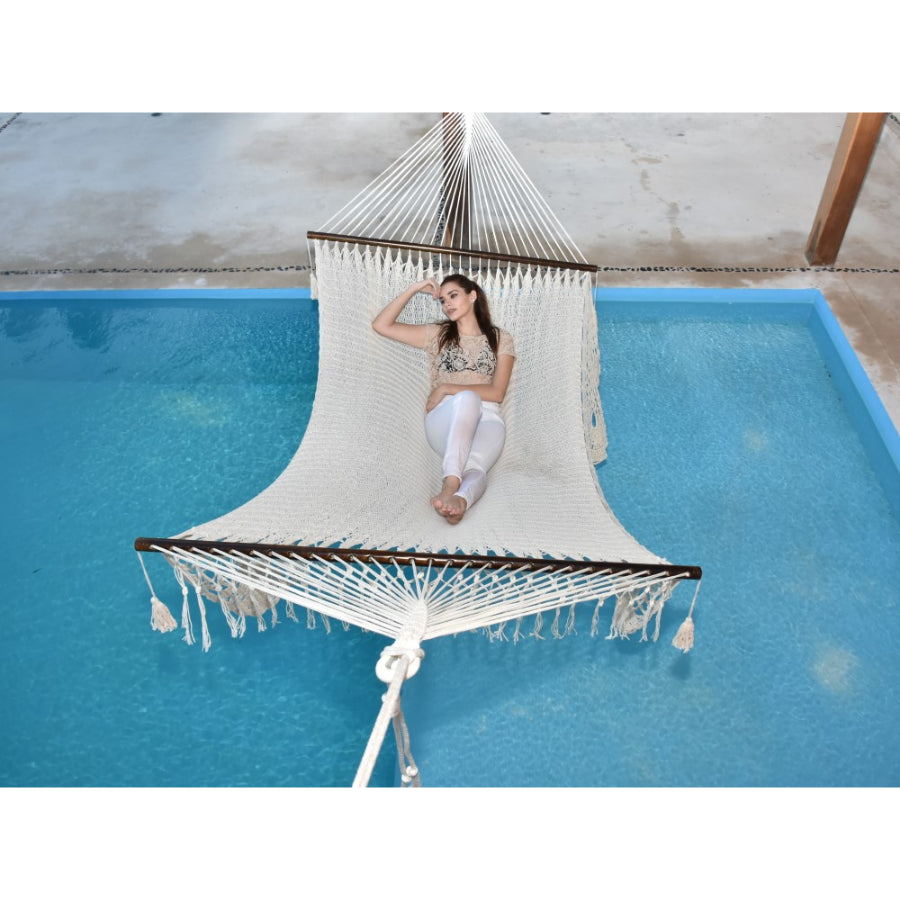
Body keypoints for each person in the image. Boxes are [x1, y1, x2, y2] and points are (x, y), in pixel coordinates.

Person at [372, 274, 515, 525]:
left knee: (476, 468)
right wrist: (414, 288)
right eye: (442, 300)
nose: (447, 303)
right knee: (468, 398)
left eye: (453, 296)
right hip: (445, 422)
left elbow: (497, 393)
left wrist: (446, 387)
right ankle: (450, 482)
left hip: (488, 418)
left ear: (472, 296)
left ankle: (460, 503)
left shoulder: (500, 338)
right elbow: (381, 325)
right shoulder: (437, 334)